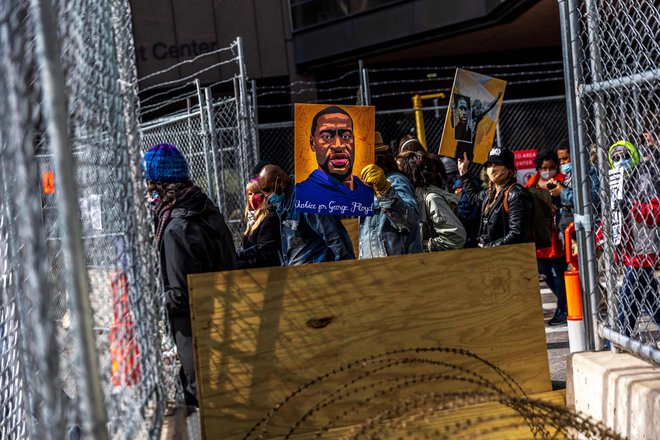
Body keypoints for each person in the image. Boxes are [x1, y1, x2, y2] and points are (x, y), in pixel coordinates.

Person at [142, 143, 236, 407]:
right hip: (227, 320)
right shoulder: (208, 211)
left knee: (199, 402)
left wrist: (149, 302)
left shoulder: (175, 228)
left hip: (195, 333)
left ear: (159, 188)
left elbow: (181, 295)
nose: (148, 198)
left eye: (150, 189)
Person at [596, 140, 660, 337]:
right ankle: (623, 335)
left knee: (628, 293)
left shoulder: (646, 179)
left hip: (645, 245)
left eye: (625, 156)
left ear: (634, 157)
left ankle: (620, 335)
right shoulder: (614, 181)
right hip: (627, 247)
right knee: (647, 295)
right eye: (616, 158)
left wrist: (633, 209)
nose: (621, 161)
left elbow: (656, 211)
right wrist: (600, 236)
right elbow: (610, 216)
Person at [257, 164, 355, 265]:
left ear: (280, 182)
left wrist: (346, 269)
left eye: (267, 190)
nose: (266, 196)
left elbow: (335, 237)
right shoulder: (282, 202)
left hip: (316, 273)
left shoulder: (307, 198)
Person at [295, 106, 373, 216]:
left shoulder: (369, 192)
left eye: (346, 136)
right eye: (326, 137)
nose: (338, 145)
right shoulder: (302, 194)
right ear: (312, 143)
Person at [358, 132, 422, 258]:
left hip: (397, 269)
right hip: (375, 270)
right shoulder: (365, 188)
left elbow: (410, 221)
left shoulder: (395, 181)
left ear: (374, 158)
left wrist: (385, 191)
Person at [458, 147, 532, 247]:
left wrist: (489, 247)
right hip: (492, 254)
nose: (492, 169)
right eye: (489, 165)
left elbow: (517, 234)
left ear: (509, 169)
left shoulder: (516, 194)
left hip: (508, 257)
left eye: (498, 164)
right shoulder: (490, 192)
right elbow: (474, 198)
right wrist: (463, 172)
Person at [525, 150, 568, 326]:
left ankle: (562, 308)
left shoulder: (561, 181)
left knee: (558, 271)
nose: (547, 170)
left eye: (551, 167)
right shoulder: (532, 183)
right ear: (538, 168)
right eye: (544, 167)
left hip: (555, 233)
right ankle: (566, 301)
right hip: (538, 233)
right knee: (543, 270)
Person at [397, 150, 466, 251]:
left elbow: (456, 238)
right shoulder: (408, 198)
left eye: (399, 172)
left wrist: (421, 246)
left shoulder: (431, 199)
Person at [548, 138, 601, 234]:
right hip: (572, 227)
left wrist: (562, 191)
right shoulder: (570, 175)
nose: (561, 163)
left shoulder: (590, 172)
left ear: (576, 155)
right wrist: (556, 191)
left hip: (590, 227)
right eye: (560, 160)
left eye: (565, 158)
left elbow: (592, 199)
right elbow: (567, 202)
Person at [236, 179, 282, 269]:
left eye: (256, 193)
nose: (253, 197)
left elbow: (265, 255)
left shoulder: (269, 218)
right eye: (250, 194)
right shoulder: (252, 219)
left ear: (264, 194)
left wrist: (237, 264)